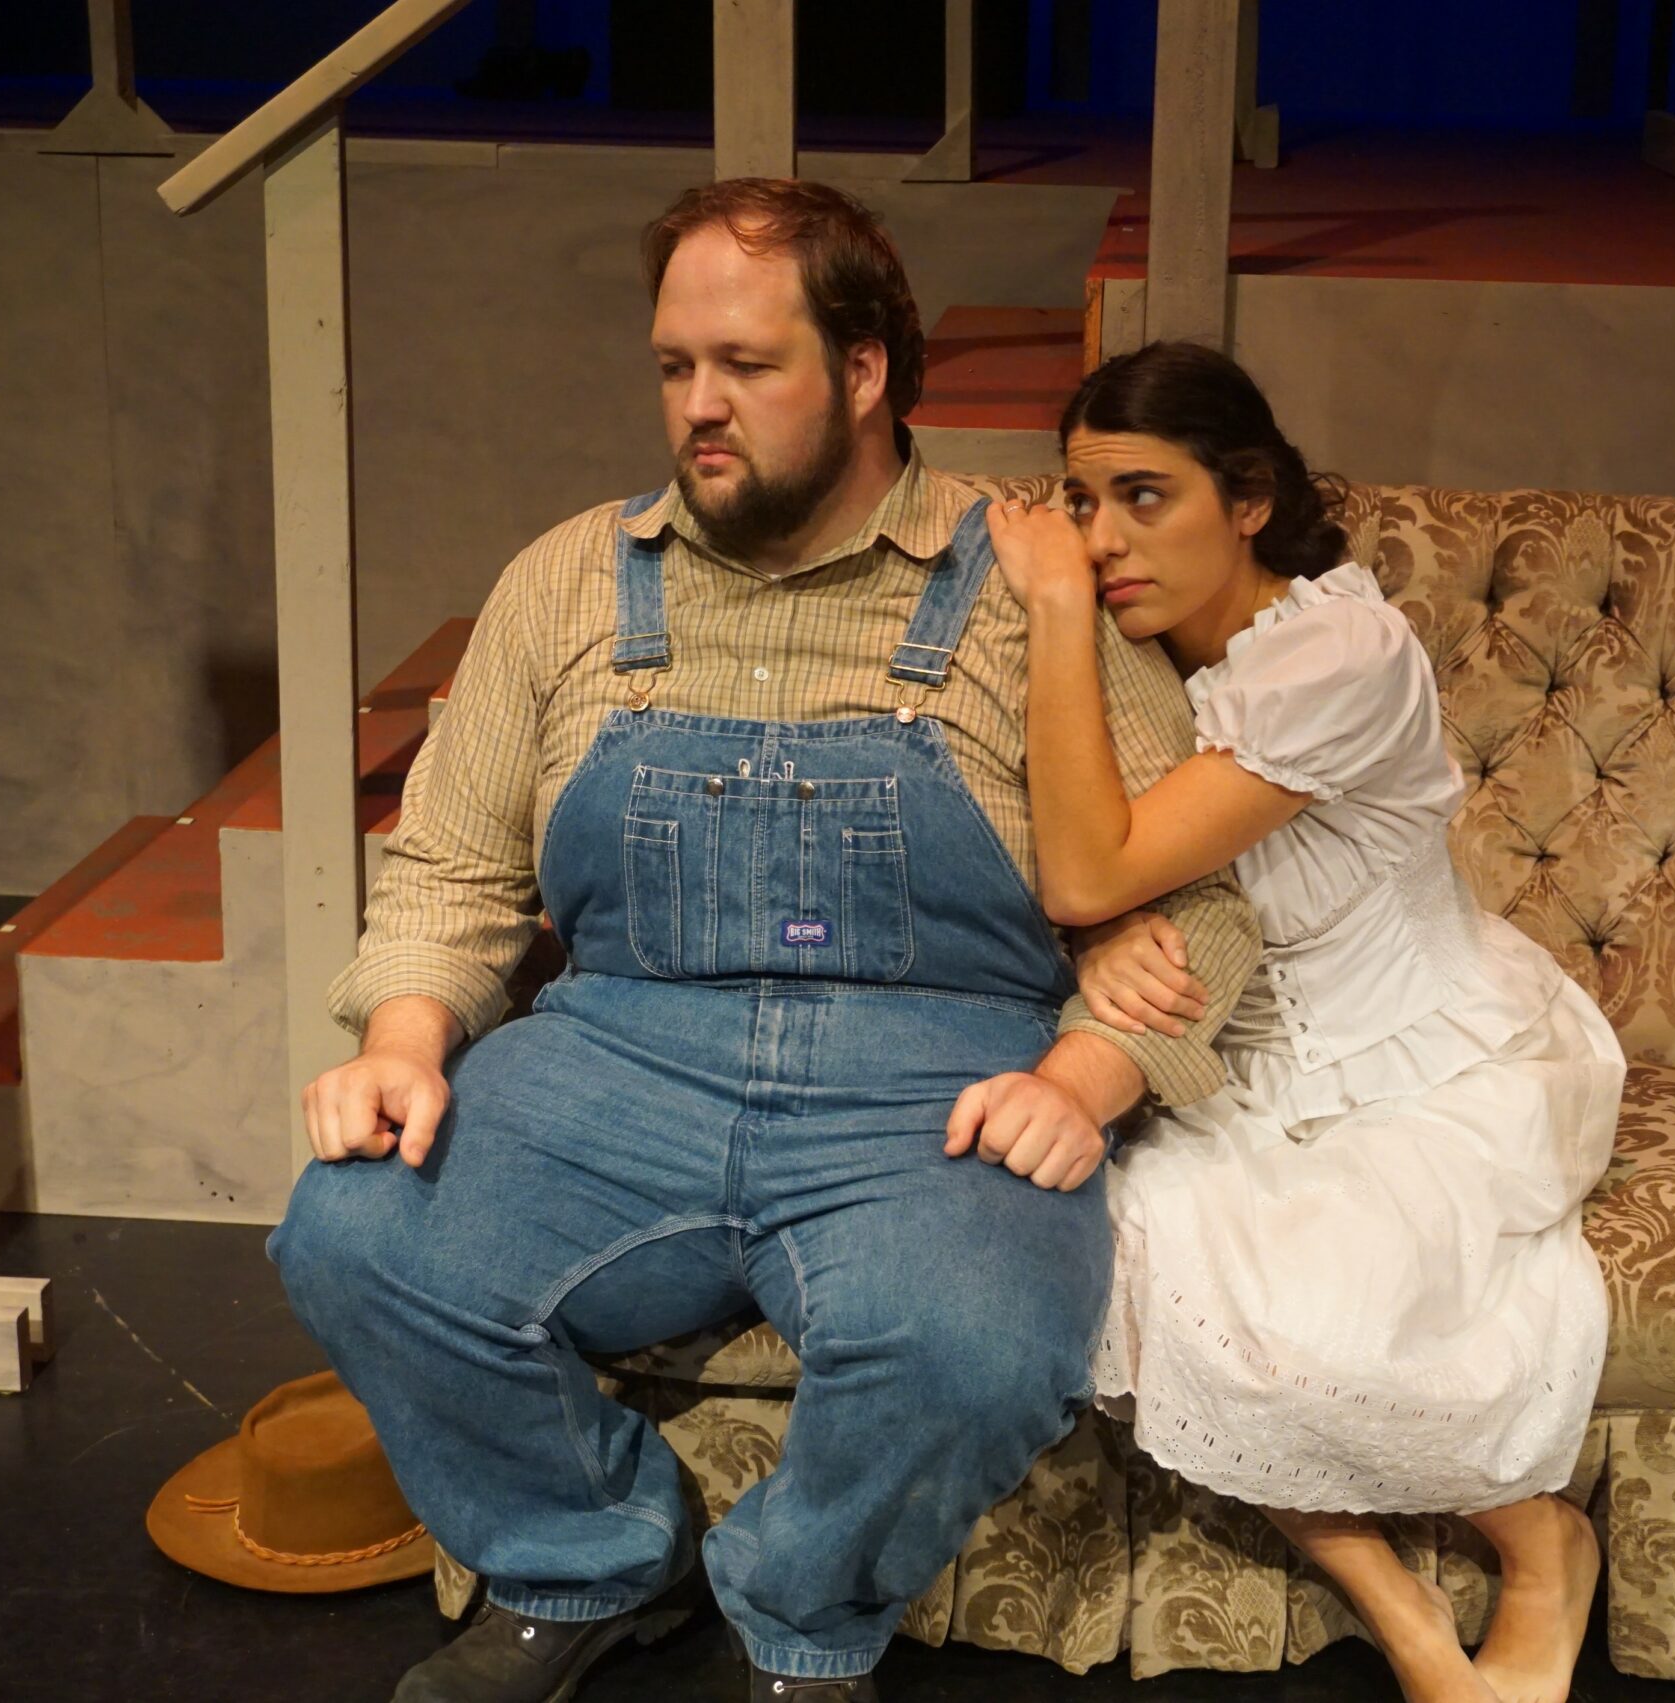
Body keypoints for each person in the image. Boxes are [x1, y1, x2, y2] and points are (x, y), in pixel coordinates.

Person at [267, 184, 1259, 1703]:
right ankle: (582, 1558)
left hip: (930, 1080)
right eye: (675, 367)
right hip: (620, 1055)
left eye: (745, 365)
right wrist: (403, 1037)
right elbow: (451, 866)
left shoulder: (1030, 581)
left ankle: (804, 1616)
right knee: (352, 1235)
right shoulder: (568, 579)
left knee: (978, 1340)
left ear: (863, 370)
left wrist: (1087, 1073)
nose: (698, 408)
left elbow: (1200, 900)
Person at [985, 341, 1623, 1703]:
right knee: (1118, 1265)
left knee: (1299, 1322)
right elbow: (1084, 870)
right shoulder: (1143, 649)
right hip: (1228, 1061)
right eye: (1081, 505)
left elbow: (1092, 862)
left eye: (1145, 497)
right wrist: (1098, 937)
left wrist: (1055, 605)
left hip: (1409, 1060)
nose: (1102, 542)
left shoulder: (1338, 652)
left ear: (1250, 499)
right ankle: (1408, 1622)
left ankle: (1541, 1542)